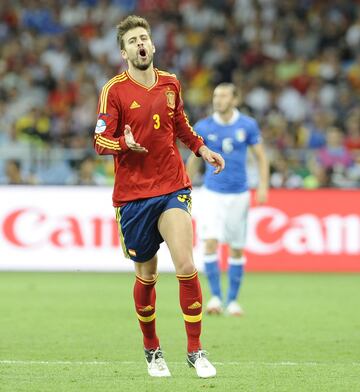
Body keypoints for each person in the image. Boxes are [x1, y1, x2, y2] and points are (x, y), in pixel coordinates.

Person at [93, 15, 224, 378]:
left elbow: (180, 123)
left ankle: (196, 350)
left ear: (152, 45)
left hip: (172, 187)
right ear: (124, 53)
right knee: (147, 277)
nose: (140, 44)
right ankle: (152, 350)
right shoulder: (114, 90)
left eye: (144, 38)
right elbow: (99, 139)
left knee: (186, 266)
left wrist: (201, 148)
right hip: (133, 197)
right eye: (133, 40)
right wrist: (123, 143)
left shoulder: (170, 82)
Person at [187, 83, 269, 316]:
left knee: (236, 248)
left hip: (239, 194)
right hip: (212, 193)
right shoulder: (204, 126)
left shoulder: (247, 125)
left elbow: (261, 158)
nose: (218, 100)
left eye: (223, 96)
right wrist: (185, 186)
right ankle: (215, 297)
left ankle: (232, 301)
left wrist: (263, 186)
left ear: (235, 99)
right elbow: (193, 161)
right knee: (210, 242)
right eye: (216, 96)